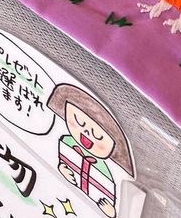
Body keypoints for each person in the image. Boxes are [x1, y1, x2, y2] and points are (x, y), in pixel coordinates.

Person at [47, 83, 134, 217]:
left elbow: (113, 199)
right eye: (79, 122)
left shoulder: (105, 171)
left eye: (98, 136)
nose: (86, 133)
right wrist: (62, 168)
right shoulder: (66, 142)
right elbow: (58, 162)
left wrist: (110, 211)